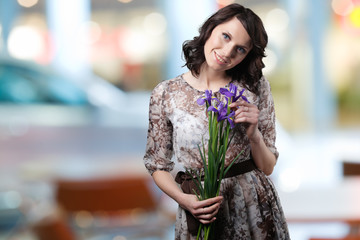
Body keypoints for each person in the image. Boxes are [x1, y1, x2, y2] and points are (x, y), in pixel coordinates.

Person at [143, 3, 290, 239]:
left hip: (252, 206)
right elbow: (157, 165)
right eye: (225, 36)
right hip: (198, 205)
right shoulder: (166, 93)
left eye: (240, 49)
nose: (228, 51)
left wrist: (254, 135)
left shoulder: (255, 87)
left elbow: (268, 166)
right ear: (211, 27)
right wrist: (184, 200)